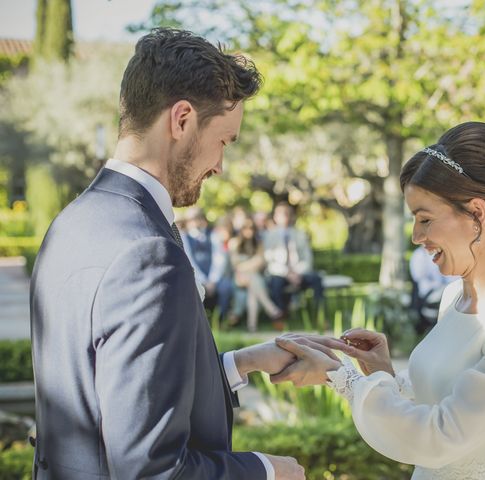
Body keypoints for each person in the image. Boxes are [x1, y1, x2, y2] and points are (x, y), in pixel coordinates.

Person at [29, 28, 340, 480]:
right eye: (224, 142)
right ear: (181, 120)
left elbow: (110, 393)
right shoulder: (149, 252)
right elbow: (150, 469)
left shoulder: (71, 224)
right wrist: (268, 471)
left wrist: (240, 364)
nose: (220, 165)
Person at [279, 122, 485, 479]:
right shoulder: (453, 298)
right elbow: (438, 404)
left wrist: (340, 377)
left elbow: (441, 436)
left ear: (477, 214)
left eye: (425, 219)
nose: (417, 236)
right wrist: (384, 373)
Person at [263, 202, 324, 313]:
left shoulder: (300, 234)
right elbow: (269, 261)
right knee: (276, 283)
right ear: (275, 217)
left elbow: (307, 258)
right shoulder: (270, 236)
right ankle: (281, 314)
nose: (285, 217)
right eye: (281, 214)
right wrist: (287, 273)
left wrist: (297, 273)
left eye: (287, 214)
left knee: (316, 279)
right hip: (280, 274)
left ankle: (319, 314)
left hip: (299, 273)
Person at [229, 217, 285, 332]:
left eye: (252, 228)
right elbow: (236, 265)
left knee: (253, 291)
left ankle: (252, 326)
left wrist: (245, 266)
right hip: (239, 278)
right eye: (246, 228)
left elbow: (261, 262)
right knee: (253, 279)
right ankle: (272, 309)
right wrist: (251, 264)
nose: (249, 230)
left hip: (253, 279)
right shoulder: (234, 243)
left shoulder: (258, 243)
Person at [182, 206, 234, 317]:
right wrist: (203, 280)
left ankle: (221, 319)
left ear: (202, 219)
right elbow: (189, 260)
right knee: (192, 288)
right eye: (190, 220)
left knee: (226, 286)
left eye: (196, 219)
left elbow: (219, 258)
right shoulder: (184, 237)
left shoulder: (213, 234)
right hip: (197, 277)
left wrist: (212, 280)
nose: (193, 222)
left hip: (214, 278)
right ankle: (201, 321)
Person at [409, 246, 457, 332]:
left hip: (442, 289)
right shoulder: (419, 254)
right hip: (427, 292)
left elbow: (449, 276)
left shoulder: (440, 253)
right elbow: (418, 276)